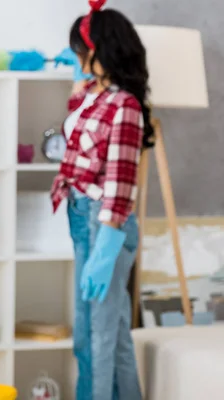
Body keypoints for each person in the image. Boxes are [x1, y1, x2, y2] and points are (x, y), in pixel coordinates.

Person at [51, 2, 153, 399]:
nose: (78, 58)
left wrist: (108, 243)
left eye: (81, 50)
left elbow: (122, 179)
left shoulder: (126, 106)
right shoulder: (96, 94)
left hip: (105, 221)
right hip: (81, 213)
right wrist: (83, 78)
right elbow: (77, 125)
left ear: (100, 51)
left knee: (96, 336)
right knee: (108, 332)